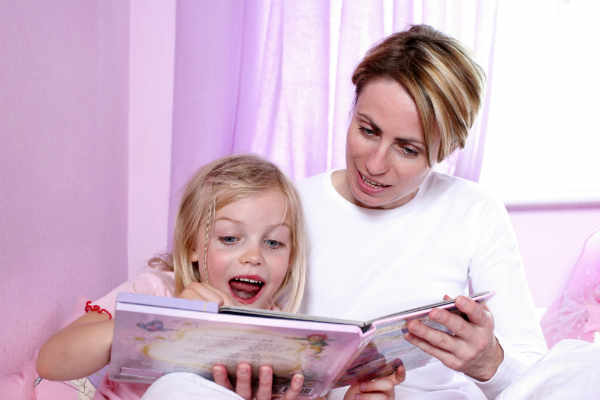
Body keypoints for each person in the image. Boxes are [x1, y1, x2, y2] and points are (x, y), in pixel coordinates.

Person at [297, 25, 547, 399]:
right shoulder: (290, 206)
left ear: (445, 150)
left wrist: (488, 361)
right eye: (367, 130)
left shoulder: (474, 212)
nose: (375, 164)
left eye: (408, 149)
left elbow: (540, 383)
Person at [36, 155, 308, 400]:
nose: (253, 256)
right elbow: (51, 362)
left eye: (273, 243)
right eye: (229, 238)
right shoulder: (157, 292)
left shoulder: (282, 336)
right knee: (175, 387)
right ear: (191, 246)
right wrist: (165, 319)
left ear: (291, 256)